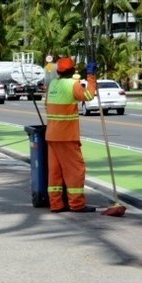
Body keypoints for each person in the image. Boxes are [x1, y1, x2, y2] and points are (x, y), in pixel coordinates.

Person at [45, 57, 97, 213]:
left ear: (59, 71)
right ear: (73, 71)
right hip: (67, 136)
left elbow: (47, 105)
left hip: (52, 135)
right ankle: (76, 204)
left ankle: (56, 204)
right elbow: (88, 96)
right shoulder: (72, 85)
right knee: (75, 170)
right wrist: (91, 77)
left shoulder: (53, 84)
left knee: (55, 172)